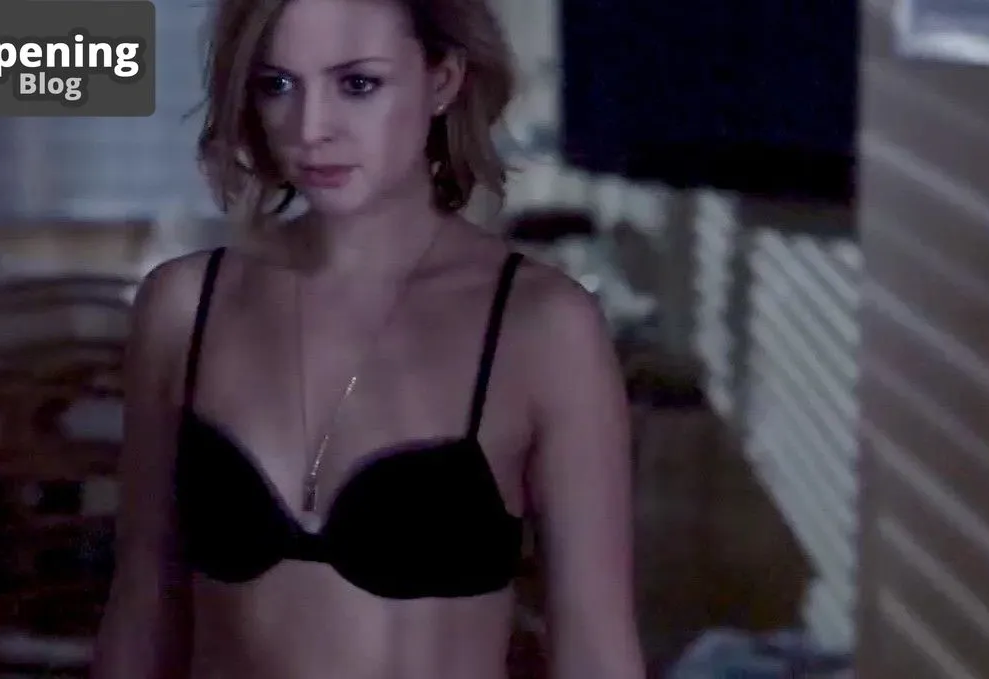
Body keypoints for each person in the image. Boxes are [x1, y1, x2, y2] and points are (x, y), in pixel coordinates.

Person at [91, 0, 644, 677]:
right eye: (277, 84)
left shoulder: (543, 326)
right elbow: (142, 604)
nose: (311, 129)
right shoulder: (183, 307)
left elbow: (595, 650)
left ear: (442, 81)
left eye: (357, 84)